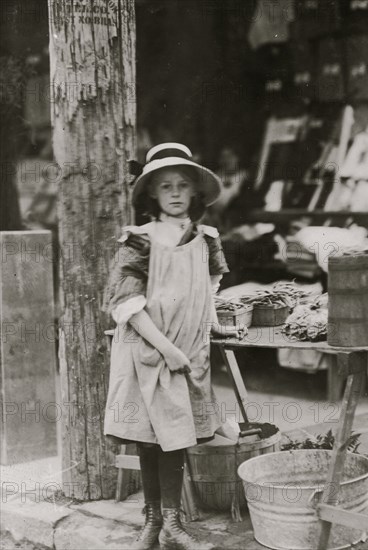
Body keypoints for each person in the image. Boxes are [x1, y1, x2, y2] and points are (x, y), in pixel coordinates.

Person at [103, 143, 247, 550]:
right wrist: (167, 349)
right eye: (165, 185)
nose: (175, 192)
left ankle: (173, 525)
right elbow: (125, 305)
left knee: (177, 435)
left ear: (196, 191)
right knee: (149, 436)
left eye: (183, 184)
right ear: (151, 192)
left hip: (188, 351)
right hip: (147, 347)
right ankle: (153, 522)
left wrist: (215, 326)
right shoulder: (139, 241)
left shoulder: (206, 239)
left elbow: (206, 288)